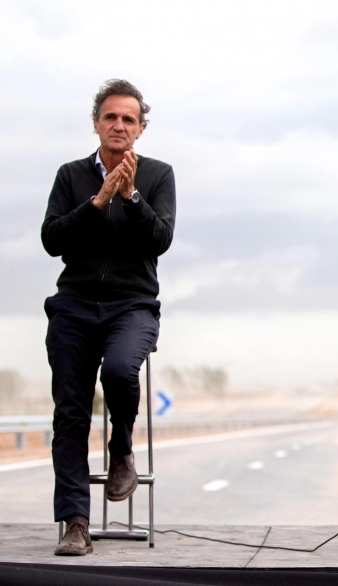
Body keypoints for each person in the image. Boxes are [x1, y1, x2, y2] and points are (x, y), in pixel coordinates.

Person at [42, 79, 176, 556]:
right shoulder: (70, 174)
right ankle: (76, 522)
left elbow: (160, 239)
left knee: (120, 370)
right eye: (110, 117)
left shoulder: (158, 175)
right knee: (71, 413)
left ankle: (122, 446)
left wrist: (131, 196)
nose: (118, 125)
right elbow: (52, 239)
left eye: (129, 119)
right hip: (74, 305)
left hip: (132, 305)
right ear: (97, 123)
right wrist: (98, 201)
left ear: (140, 129)